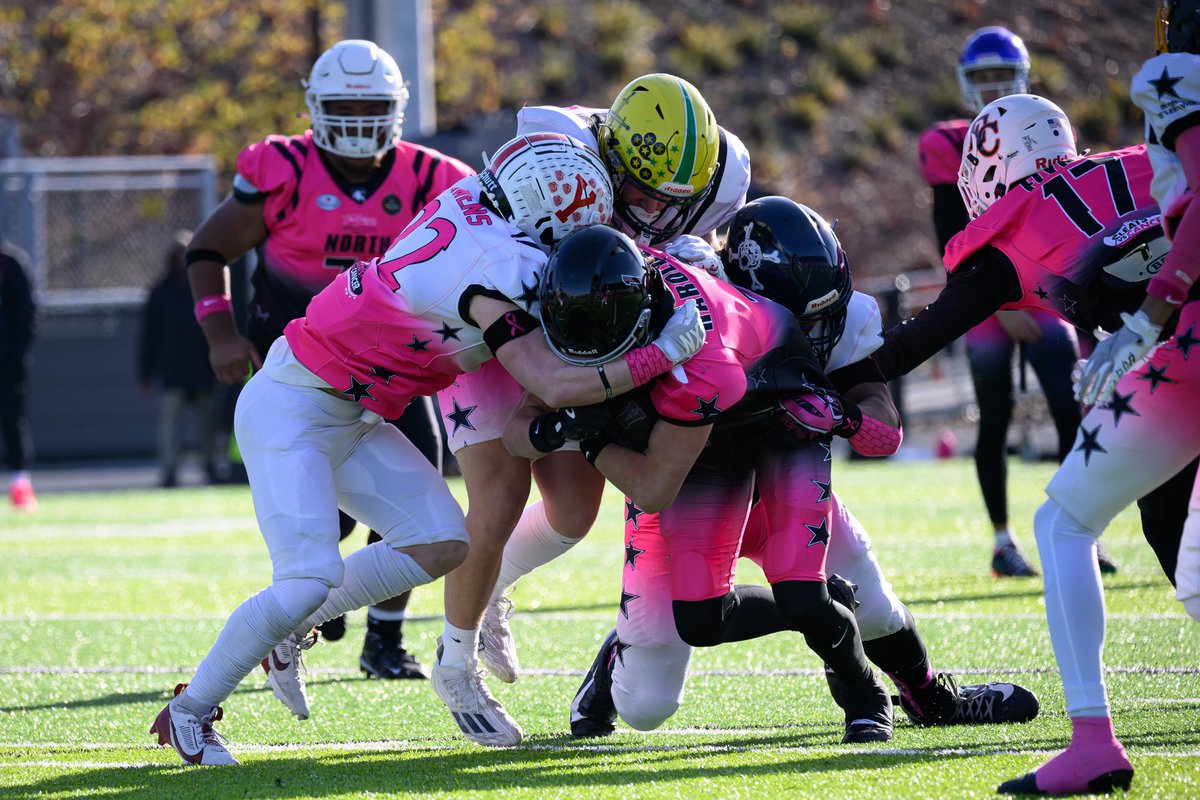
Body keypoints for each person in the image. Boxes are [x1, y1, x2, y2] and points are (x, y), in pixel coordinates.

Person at [150, 131, 707, 764]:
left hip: (352, 412)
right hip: (292, 408)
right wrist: (663, 353)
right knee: (304, 580)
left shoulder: (473, 197)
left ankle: (289, 629)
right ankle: (189, 710)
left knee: (444, 545)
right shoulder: (498, 267)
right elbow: (550, 379)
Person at [521, 203, 1037, 742]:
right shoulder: (683, 324)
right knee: (647, 703)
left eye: (823, 313)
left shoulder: (817, 327)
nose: (816, 330)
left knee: (873, 607)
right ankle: (619, 657)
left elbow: (883, 427)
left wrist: (845, 415)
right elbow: (650, 479)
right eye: (801, 315)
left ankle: (930, 696)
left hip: (780, 463)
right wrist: (584, 427)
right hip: (687, 482)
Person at [430, 73, 752, 745]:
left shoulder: (704, 169)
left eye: (674, 205)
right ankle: (454, 665)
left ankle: (488, 593)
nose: (656, 214)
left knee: (574, 514)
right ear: (613, 156)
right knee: (498, 495)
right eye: (643, 194)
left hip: (550, 332)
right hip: (485, 324)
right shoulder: (562, 153)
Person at [184, 40, 475, 682]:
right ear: (314, 106)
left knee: (419, 500)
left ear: (396, 108)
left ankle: (384, 640)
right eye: (342, 104)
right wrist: (221, 336)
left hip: (389, 369)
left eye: (368, 104)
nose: (355, 118)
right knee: (330, 519)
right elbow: (207, 250)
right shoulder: (282, 169)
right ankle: (310, 602)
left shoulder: (433, 179)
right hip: (302, 367)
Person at [997, 3, 1200, 794]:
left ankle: (1092, 741)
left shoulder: (1180, 76)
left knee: (1064, 518)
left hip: (1191, 338)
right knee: (1192, 570)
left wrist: (1151, 315)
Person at [918, 26, 1100, 577]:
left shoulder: (1045, 127)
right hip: (988, 295)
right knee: (994, 416)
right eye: (983, 78)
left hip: (1044, 289)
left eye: (1003, 76)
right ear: (964, 83)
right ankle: (1003, 541)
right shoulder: (948, 143)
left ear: (1023, 79)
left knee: (1073, 407)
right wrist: (999, 305)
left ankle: (1077, 525)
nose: (994, 88)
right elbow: (954, 240)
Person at [138, 231, 220, 488]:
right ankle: (170, 470)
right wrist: (145, 373)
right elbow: (148, 336)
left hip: (202, 366)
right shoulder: (160, 292)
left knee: (207, 421)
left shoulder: (205, 289)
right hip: (172, 368)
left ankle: (210, 465)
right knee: (170, 421)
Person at [0, 237, 36, 511]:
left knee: (13, 421)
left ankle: (20, 484)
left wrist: (15, 351)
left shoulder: (13, 266)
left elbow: (28, 312)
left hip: (9, 362)